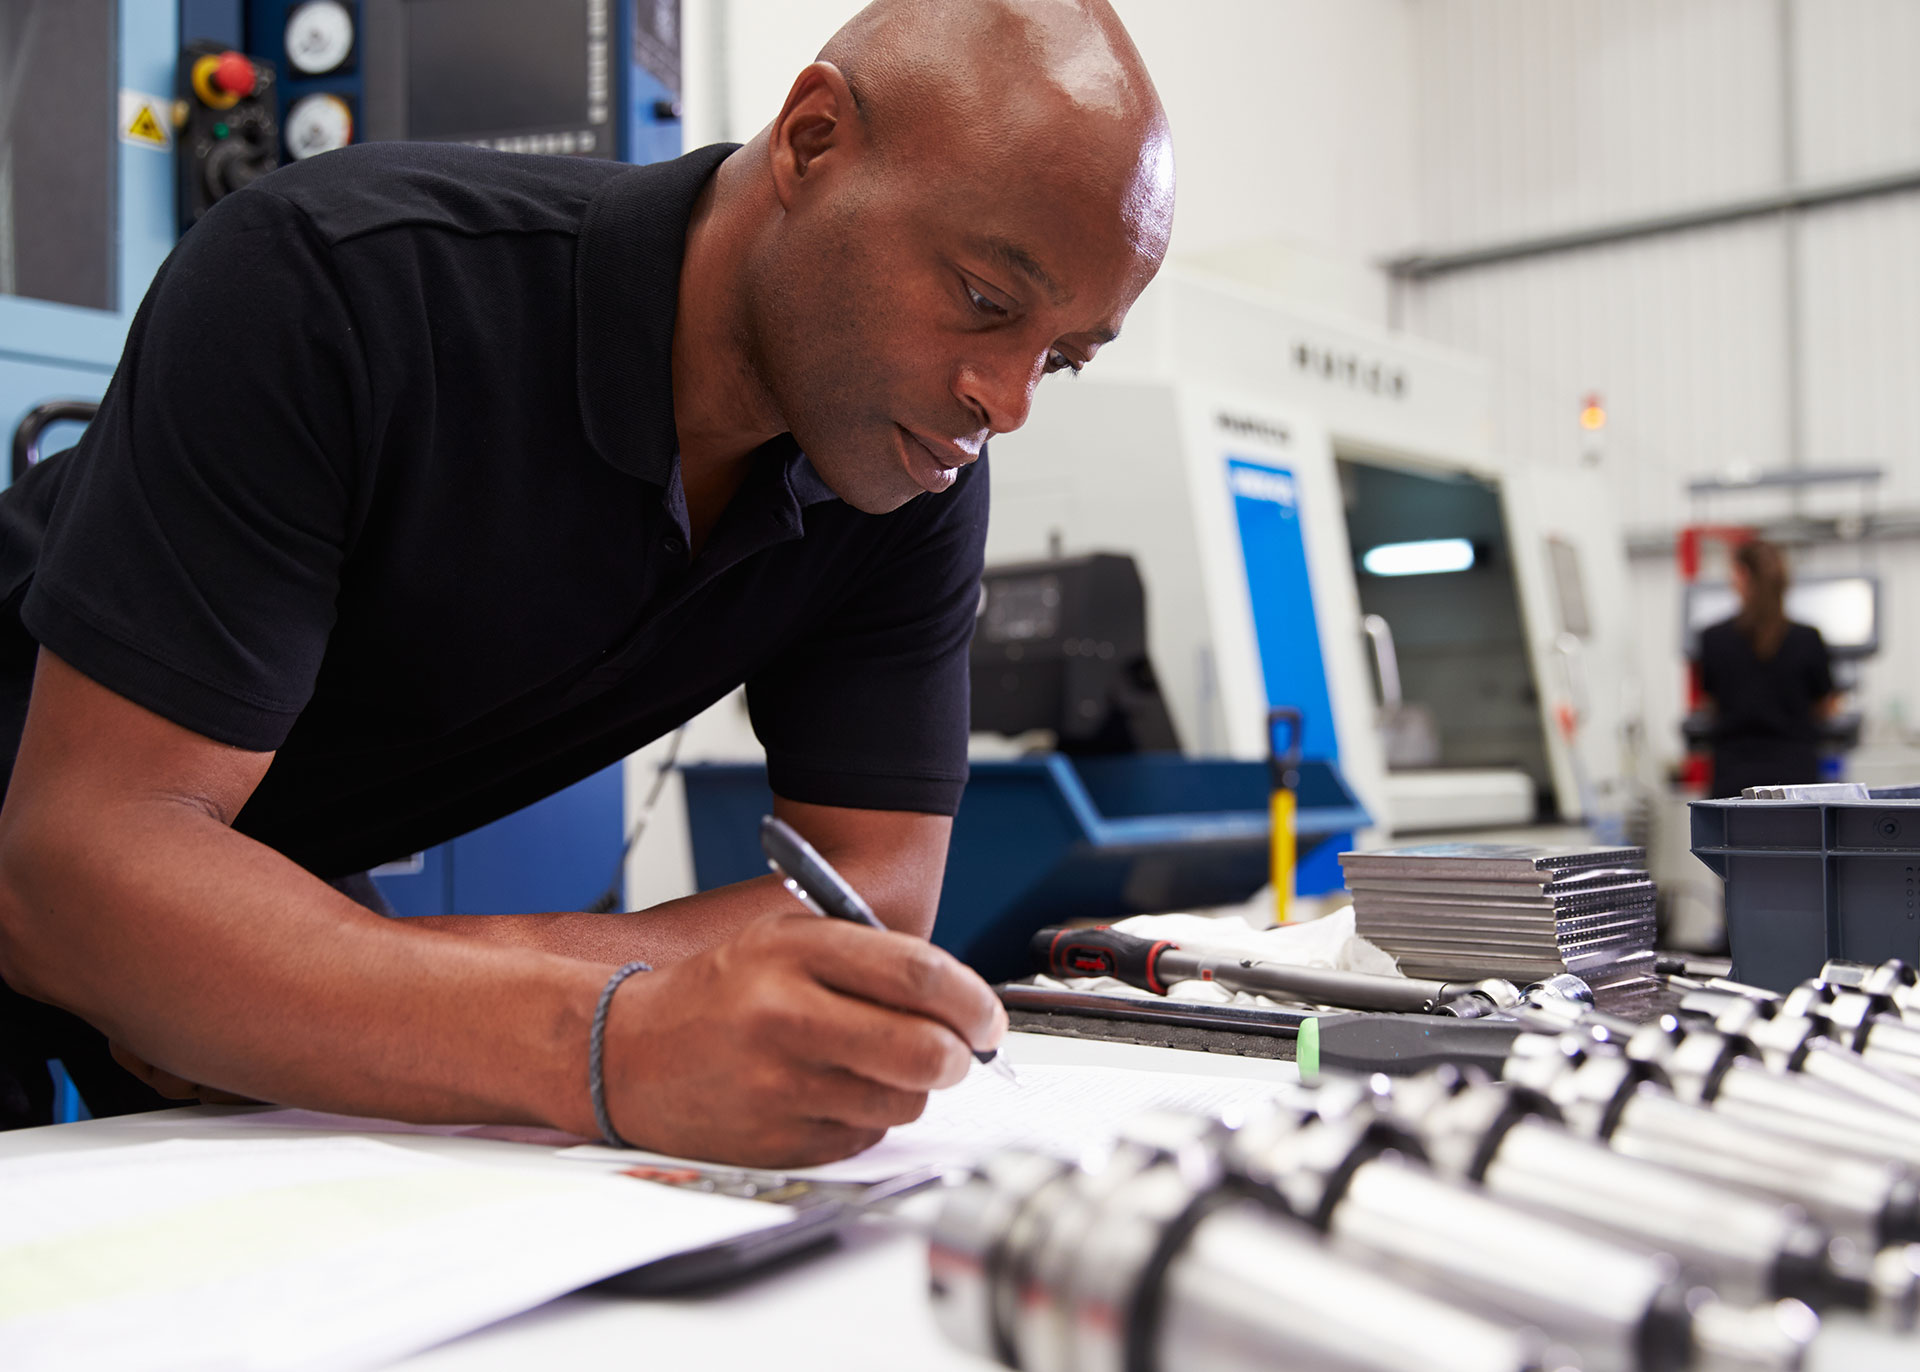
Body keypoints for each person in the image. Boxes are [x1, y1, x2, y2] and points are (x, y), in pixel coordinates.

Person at [0, 0, 1175, 1163]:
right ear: (813, 140)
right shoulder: (339, 280)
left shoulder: (905, 470)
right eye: (984, 299)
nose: (1005, 402)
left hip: (248, 880)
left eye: (1059, 359)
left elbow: (872, 899)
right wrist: (604, 1039)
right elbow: (71, 873)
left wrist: (318, 978)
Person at [1695, 540, 1838, 800]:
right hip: (1795, 783)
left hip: (1733, 780)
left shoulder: (1713, 639)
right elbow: (1826, 706)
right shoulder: (1808, 638)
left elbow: (1710, 703)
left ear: (1742, 577)